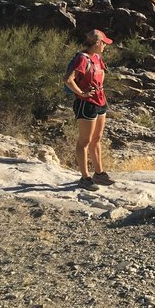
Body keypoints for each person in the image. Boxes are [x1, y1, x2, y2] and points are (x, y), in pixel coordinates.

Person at [64, 29, 115, 191]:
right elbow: (68, 79)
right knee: (84, 141)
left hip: (100, 102)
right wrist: (82, 93)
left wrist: (98, 87)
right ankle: (85, 178)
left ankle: (99, 174)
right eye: (104, 43)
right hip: (86, 104)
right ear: (97, 43)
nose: (105, 46)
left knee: (96, 139)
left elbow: (101, 74)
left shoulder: (98, 58)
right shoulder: (82, 58)